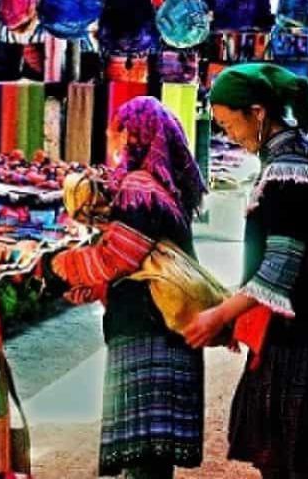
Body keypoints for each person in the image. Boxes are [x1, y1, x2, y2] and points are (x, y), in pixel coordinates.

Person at [186, 63, 308, 479]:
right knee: (294, 463)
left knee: (291, 464)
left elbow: (279, 267)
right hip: (304, 334)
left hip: (298, 340)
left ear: (258, 112)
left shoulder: (289, 170)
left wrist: (220, 315)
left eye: (228, 123)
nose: (227, 135)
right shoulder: (299, 155)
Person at [39, 96, 206, 479]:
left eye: (115, 129)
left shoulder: (139, 189)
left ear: (130, 134)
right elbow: (138, 264)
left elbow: (117, 258)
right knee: (152, 461)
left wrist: (57, 265)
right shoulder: (166, 190)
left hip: (149, 335)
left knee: (144, 460)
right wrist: (96, 288)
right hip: (165, 330)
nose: (109, 137)